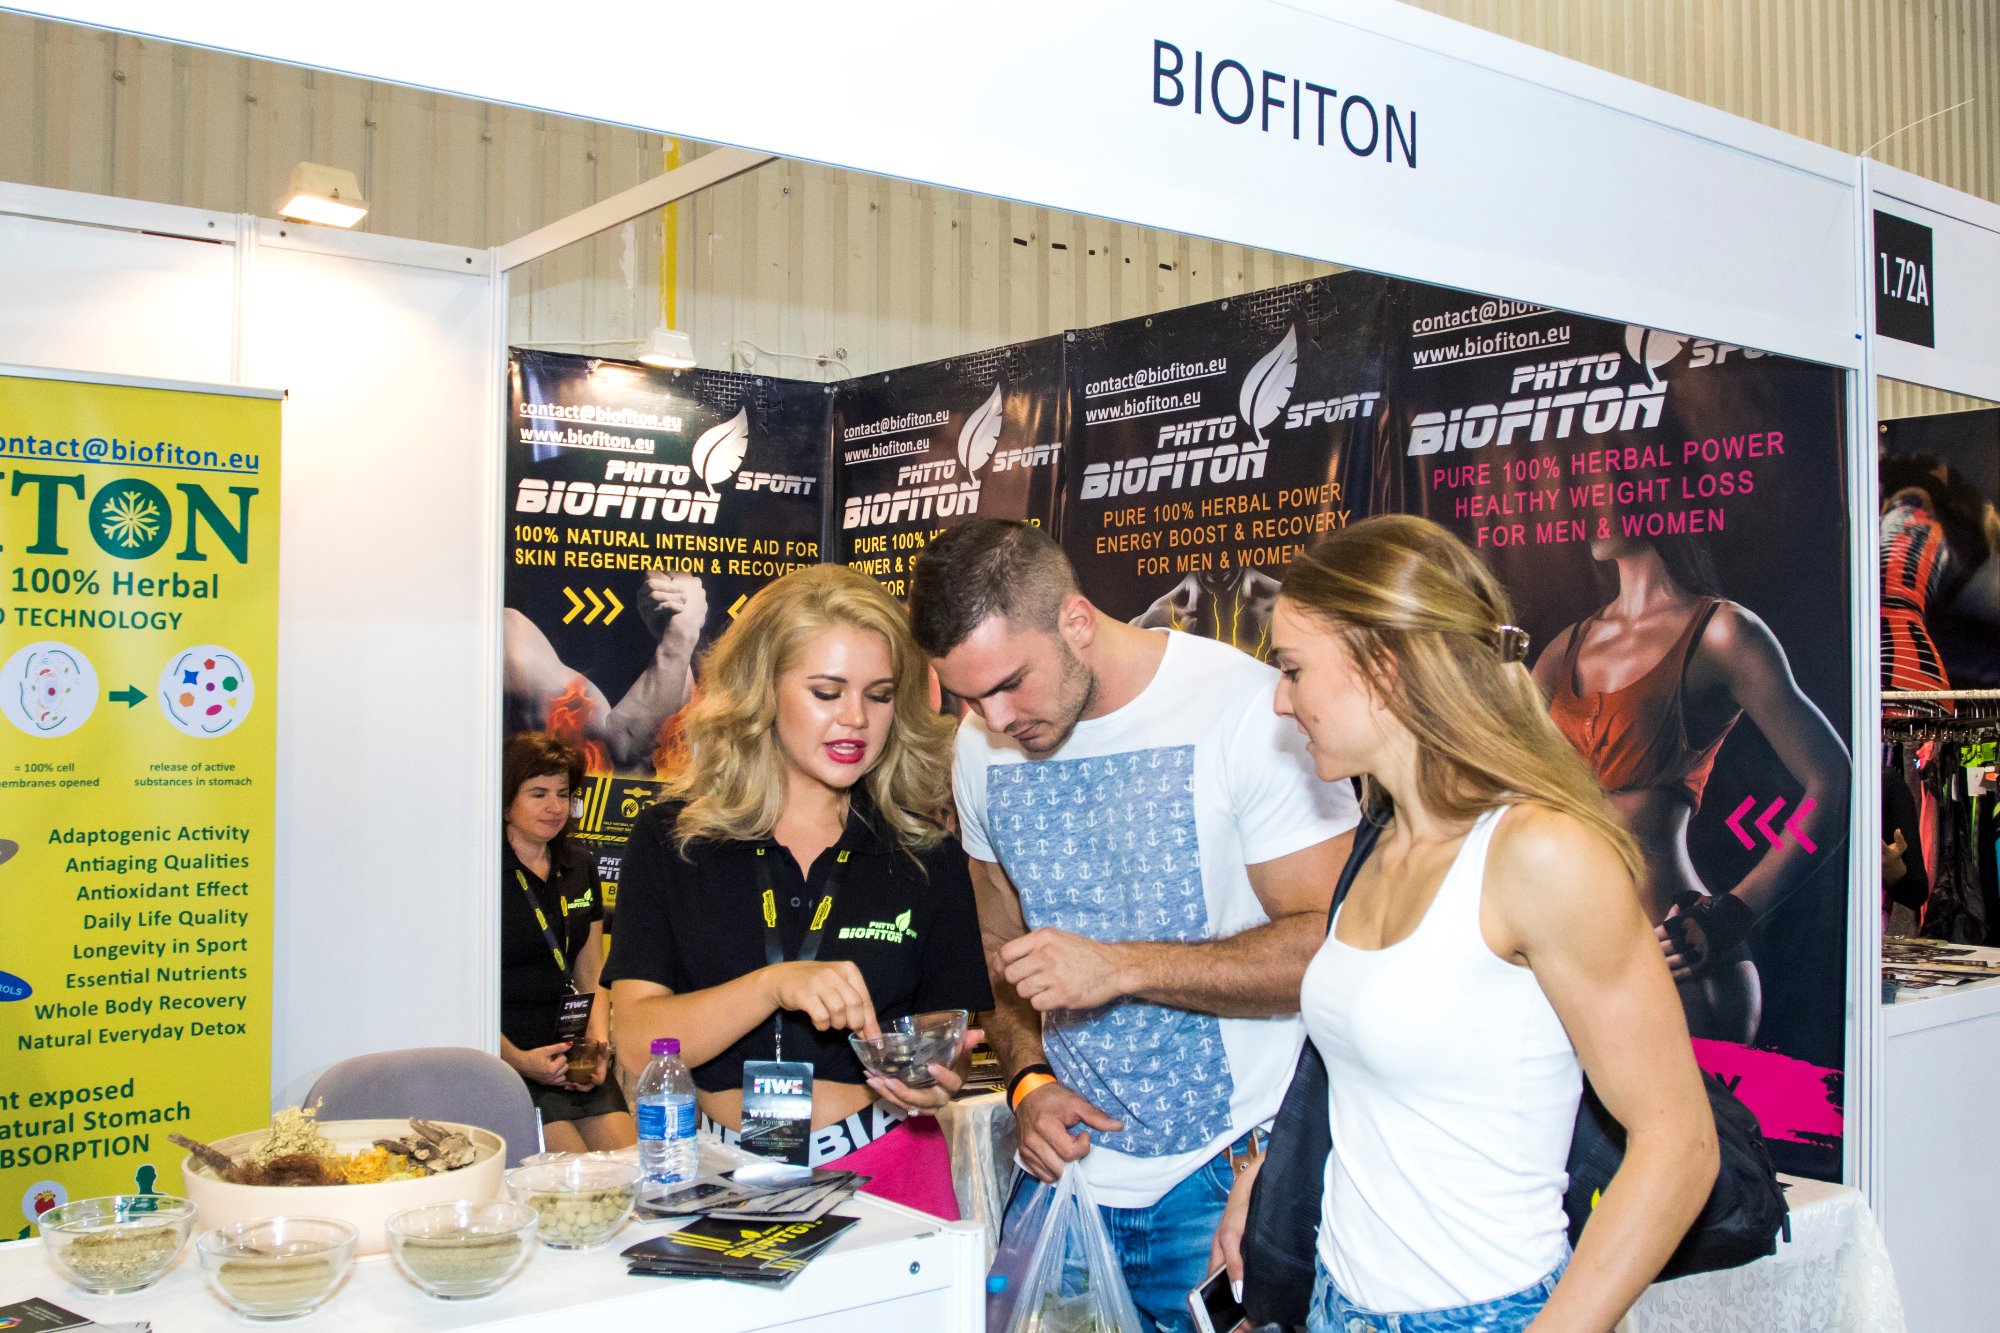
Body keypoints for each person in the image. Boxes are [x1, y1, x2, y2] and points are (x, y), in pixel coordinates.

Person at [1217, 514, 1718, 1333]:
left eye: (1295, 669)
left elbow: (1680, 1144)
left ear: (1384, 666)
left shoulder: (1540, 852)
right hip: (1339, 1304)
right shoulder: (1382, 842)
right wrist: (1268, 1173)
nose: (1281, 699)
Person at [907, 518, 1358, 1333]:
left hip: (1226, 1174)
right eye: (970, 696)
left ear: (1076, 620)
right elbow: (995, 951)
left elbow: (1334, 948)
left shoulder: (1245, 709)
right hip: (1067, 1178)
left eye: (1011, 683)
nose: (996, 717)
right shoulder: (980, 745)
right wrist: (1028, 1080)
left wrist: (1121, 967)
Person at [603, 564, 992, 1216]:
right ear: (762, 689)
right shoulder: (674, 837)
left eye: (879, 695)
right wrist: (772, 986)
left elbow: (942, 1033)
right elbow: (639, 1042)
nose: (855, 719)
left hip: (886, 1170)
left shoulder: (924, 854)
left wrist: (932, 1076)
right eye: (826, 691)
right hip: (714, 1174)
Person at [1531, 531, 1850, 1043]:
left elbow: (1832, 783)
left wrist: (1736, 912)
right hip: (1567, 960)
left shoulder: (1722, 633)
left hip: (1672, 953)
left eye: (1605, 489)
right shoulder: (1564, 648)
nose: (1589, 503)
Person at [500, 732, 634, 1153]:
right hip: (510, 1059)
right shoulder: (483, 869)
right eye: (538, 794)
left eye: (563, 794)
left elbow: (591, 969)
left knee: (629, 1168)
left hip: (574, 1053)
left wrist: (597, 1046)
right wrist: (517, 1060)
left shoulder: (579, 864)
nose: (555, 807)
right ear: (505, 800)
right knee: (572, 1178)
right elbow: (461, 997)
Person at [503, 568, 707, 769]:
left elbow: (675, 747)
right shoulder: (511, 643)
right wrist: (681, 633)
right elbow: (618, 753)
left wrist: (674, 635)